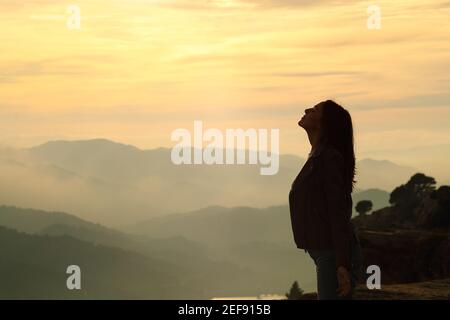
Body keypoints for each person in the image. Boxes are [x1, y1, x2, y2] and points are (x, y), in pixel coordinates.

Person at [289, 100, 362, 300]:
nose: (306, 109)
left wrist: (342, 265)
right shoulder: (318, 156)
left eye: (314, 109)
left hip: (331, 254)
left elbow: (339, 212)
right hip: (326, 253)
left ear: (324, 123)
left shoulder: (328, 159)